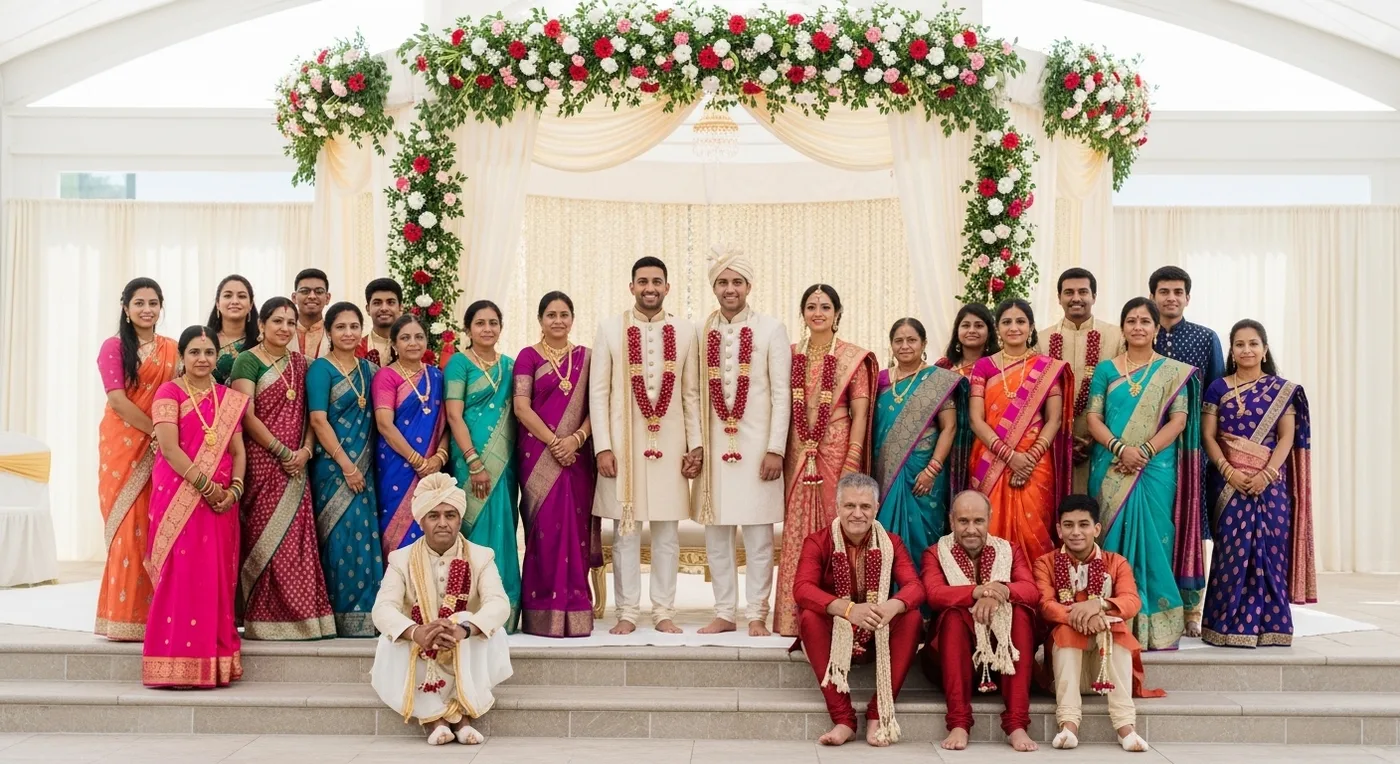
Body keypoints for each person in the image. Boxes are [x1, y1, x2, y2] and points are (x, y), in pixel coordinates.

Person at [590, 257, 701, 635]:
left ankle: (663, 610)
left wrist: (696, 446)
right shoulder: (609, 329)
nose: (649, 287)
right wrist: (603, 447)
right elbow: (599, 393)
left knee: (667, 532)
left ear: (667, 287)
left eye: (656, 281)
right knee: (626, 532)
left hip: (670, 447)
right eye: (642, 281)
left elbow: (691, 395)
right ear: (631, 287)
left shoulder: (685, 331)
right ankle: (626, 612)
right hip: (624, 449)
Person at [1086, 297, 1204, 646]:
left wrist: (1145, 452)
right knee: (1111, 540)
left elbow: (1179, 420)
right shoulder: (1106, 370)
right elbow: (1093, 418)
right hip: (1111, 465)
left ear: (1155, 328)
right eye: (1131, 320)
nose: (1138, 327)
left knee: (1156, 537)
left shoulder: (1172, 370)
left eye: (1145, 321)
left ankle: (1158, 624)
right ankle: (1111, 616)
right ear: (1122, 327)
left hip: (1156, 469)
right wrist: (1122, 449)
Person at [370, 473, 513, 746]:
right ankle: (444, 719)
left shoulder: (481, 556)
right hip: (420, 640)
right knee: (393, 637)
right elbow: (383, 608)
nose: (443, 523)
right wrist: (415, 631)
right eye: (433, 516)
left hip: (462, 641)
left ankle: (456, 716)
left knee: (473, 620)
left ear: (460, 519)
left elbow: (498, 602)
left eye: (450, 515)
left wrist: (463, 629)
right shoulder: (401, 559)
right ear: (421, 521)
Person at [692, 246, 791, 637]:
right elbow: (693, 395)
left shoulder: (771, 329)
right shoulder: (701, 332)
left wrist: (775, 450)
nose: (729, 289)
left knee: (758, 537)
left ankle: (756, 614)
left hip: (757, 451)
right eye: (722, 282)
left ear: (748, 285)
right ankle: (723, 612)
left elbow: (782, 393)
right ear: (713, 288)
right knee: (716, 534)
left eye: (736, 282)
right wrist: (697, 445)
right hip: (716, 452)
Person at [143, 326, 249, 688]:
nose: (202, 359)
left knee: (214, 578)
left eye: (208, 352)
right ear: (182, 356)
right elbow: (169, 448)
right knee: (180, 574)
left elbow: (238, 451)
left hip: (220, 505)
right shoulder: (168, 392)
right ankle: (172, 664)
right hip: (179, 495)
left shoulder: (228, 397)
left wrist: (233, 490)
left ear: (217, 357)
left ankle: (212, 664)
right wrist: (206, 485)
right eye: (194, 352)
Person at [1201, 320, 1315, 648]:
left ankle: (1272, 626)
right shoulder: (1218, 388)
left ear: (1265, 350)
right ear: (1232, 351)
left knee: (1271, 552)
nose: (1247, 349)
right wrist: (1228, 471)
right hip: (1227, 484)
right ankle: (1223, 626)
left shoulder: (1282, 389)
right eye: (1240, 344)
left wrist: (1266, 475)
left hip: (1271, 484)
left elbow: (1286, 437)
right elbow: (1208, 436)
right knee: (1231, 553)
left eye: (1253, 343)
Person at [229, 297, 337, 640]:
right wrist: (280, 450)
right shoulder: (247, 361)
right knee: (264, 538)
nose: (285, 328)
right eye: (277, 321)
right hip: (262, 462)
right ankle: (262, 619)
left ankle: (301, 619)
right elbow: (244, 414)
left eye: (291, 323)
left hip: (296, 465)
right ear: (261, 325)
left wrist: (305, 450)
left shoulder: (303, 364)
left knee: (297, 541)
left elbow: (310, 413)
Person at [791, 474, 924, 748]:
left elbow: (915, 586)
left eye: (865, 506)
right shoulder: (818, 542)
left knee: (910, 618)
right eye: (850, 506)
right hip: (835, 633)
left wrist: (891, 606)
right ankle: (843, 719)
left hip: (877, 631)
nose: (857, 514)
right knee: (810, 617)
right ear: (837, 508)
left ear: (876, 509)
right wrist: (848, 610)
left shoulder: (891, 542)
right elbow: (802, 589)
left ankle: (878, 713)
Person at [776, 284, 879, 636]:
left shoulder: (853, 357)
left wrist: (852, 456)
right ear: (802, 313)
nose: (817, 312)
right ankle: (792, 617)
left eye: (825, 306)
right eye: (810, 306)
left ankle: (842, 612)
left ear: (837, 313)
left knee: (839, 523)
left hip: (836, 448)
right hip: (797, 448)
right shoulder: (789, 354)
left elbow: (860, 412)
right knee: (796, 527)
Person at [95, 277, 179, 641]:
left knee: (158, 526)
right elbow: (117, 400)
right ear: (126, 309)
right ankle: (123, 617)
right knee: (128, 531)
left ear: (161, 307)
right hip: (124, 446)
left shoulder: (174, 349)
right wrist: (157, 431)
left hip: (165, 445)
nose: (147, 309)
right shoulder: (113, 347)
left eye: (153, 303)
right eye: (139, 303)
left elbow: (180, 393)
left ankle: (156, 614)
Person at [924, 491, 1039, 752]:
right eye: (963, 521)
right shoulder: (935, 553)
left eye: (978, 521)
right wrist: (979, 592)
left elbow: (1031, 591)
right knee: (953, 615)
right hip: (952, 661)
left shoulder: (1010, 550)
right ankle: (959, 723)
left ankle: (1017, 723)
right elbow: (934, 594)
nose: (971, 529)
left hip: (1002, 665)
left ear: (989, 519)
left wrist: (999, 592)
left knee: (1020, 613)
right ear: (951, 521)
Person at [1033, 495, 1149, 753]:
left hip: (1105, 670)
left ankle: (1125, 726)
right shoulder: (1046, 563)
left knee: (1116, 631)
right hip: (1066, 665)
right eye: (1069, 525)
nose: (1076, 532)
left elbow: (1131, 601)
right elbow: (1045, 605)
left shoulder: (1116, 562)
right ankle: (1069, 724)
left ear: (1097, 529)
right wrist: (1081, 616)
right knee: (1065, 631)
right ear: (1058, 529)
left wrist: (1100, 606)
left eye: (1084, 525)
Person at [513, 292, 599, 637]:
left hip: (576, 458)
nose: (558, 321)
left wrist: (575, 440)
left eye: (564, 314)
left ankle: (576, 608)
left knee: (574, 531)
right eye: (551, 315)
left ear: (573, 319)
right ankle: (541, 610)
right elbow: (521, 407)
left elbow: (599, 408)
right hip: (538, 457)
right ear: (540, 320)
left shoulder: (588, 358)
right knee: (544, 533)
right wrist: (554, 443)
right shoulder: (528, 357)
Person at [967, 299, 1073, 566]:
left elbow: (1054, 419)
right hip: (992, 458)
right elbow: (976, 420)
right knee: (990, 526)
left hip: (1035, 463)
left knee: (1034, 526)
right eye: (1006, 322)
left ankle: (1036, 597)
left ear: (1031, 326)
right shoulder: (984, 366)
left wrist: (1029, 459)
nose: (1013, 327)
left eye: (1020, 321)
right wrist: (1009, 456)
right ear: (997, 328)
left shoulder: (1047, 367)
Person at [307, 302, 385, 637]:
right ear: (329, 332)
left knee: (366, 536)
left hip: (366, 469)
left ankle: (367, 614)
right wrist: (346, 465)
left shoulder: (370, 370)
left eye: (354, 326)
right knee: (339, 539)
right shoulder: (320, 370)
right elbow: (317, 420)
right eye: (341, 327)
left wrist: (360, 468)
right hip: (333, 469)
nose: (349, 333)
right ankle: (339, 615)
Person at [445, 300, 521, 632]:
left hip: (504, 464)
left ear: (501, 328)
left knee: (503, 530)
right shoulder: (458, 364)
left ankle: (503, 611)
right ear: (468, 329)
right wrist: (474, 462)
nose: (487, 328)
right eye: (480, 323)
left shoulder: (511, 365)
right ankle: (467, 609)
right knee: (471, 532)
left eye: (493, 322)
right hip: (469, 461)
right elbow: (453, 414)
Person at [873, 318, 969, 571]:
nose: (905, 346)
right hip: (886, 474)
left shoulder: (937, 381)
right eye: (898, 340)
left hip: (925, 474)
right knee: (884, 537)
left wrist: (932, 470)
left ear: (924, 343)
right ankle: (888, 596)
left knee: (924, 539)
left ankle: (926, 601)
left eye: (912, 340)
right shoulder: (879, 381)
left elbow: (949, 427)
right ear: (891, 345)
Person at [1034, 268, 1126, 493]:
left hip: (1105, 441)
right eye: (1069, 292)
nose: (1076, 298)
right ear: (1059, 298)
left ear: (1094, 296)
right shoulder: (1041, 341)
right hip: (1053, 442)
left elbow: (1122, 396)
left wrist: (1098, 437)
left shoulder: (1116, 336)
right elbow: (1036, 396)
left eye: (1083, 291)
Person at [374, 314, 448, 557]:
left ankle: (427, 590)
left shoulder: (436, 376)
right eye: (405, 338)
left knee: (432, 525)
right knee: (396, 525)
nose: (413, 343)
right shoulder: (387, 376)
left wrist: (439, 458)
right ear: (394, 345)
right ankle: (399, 590)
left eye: (419, 337)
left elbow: (445, 425)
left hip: (432, 467)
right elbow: (384, 425)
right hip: (397, 464)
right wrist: (417, 461)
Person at [1150, 266, 1225, 386]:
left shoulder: (1206, 337)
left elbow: (1217, 388)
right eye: (1164, 292)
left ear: (1187, 299)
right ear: (1152, 298)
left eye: (1178, 292)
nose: (1171, 298)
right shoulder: (1142, 336)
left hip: (1195, 405)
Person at [207, 275, 259, 385]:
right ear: (217, 304)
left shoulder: (261, 343)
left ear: (250, 305)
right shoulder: (204, 341)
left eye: (241, 296)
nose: (235, 301)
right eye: (228, 296)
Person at [934, 303, 998, 377]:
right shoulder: (943, 366)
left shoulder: (997, 367)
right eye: (966, 325)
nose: (971, 330)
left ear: (989, 331)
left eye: (979, 326)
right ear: (957, 330)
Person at [359, 278, 403, 366]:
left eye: (390, 302)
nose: (384, 308)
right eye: (377, 303)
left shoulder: (412, 346)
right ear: (368, 309)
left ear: (400, 307)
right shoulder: (357, 348)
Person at [292, 268, 332, 360]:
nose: (312, 296)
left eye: (319, 292)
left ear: (327, 298)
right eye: (305, 291)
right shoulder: (283, 332)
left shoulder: (334, 334)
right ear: (294, 297)